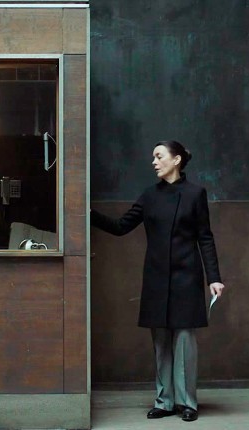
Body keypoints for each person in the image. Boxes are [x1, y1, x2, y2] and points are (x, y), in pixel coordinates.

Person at [91, 140, 225, 422]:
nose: (154, 162)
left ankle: (187, 403)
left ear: (176, 160)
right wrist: (88, 215)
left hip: (187, 276)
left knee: (184, 340)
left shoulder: (195, 194)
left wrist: (214, 277)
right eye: (153, 157)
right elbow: (121, 226)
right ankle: (164, 402)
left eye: (159, 156)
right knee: (161, 342)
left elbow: (205, 237)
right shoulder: (149, 195)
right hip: (156, 277)